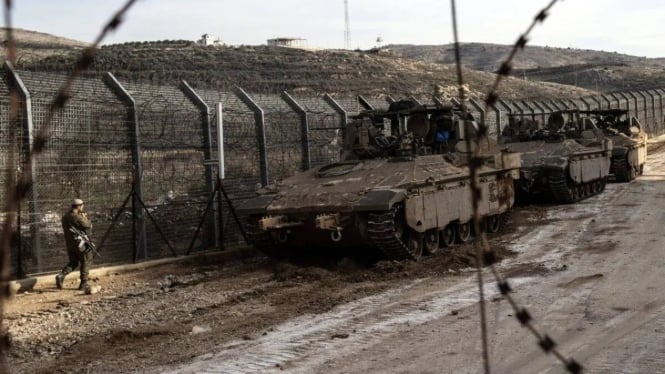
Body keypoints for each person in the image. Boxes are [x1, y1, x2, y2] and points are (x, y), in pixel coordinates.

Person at [55, 198, 93, 291]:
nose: (83, 207)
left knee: (73, 262)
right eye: (82, 206)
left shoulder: (65, 217)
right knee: (86, 261)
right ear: (79, 206)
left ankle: (61, 275)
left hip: (70, 244)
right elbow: (88, 226)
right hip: (81, 244)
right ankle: (83, 283)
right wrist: (84, 217)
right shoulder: (78, 217)